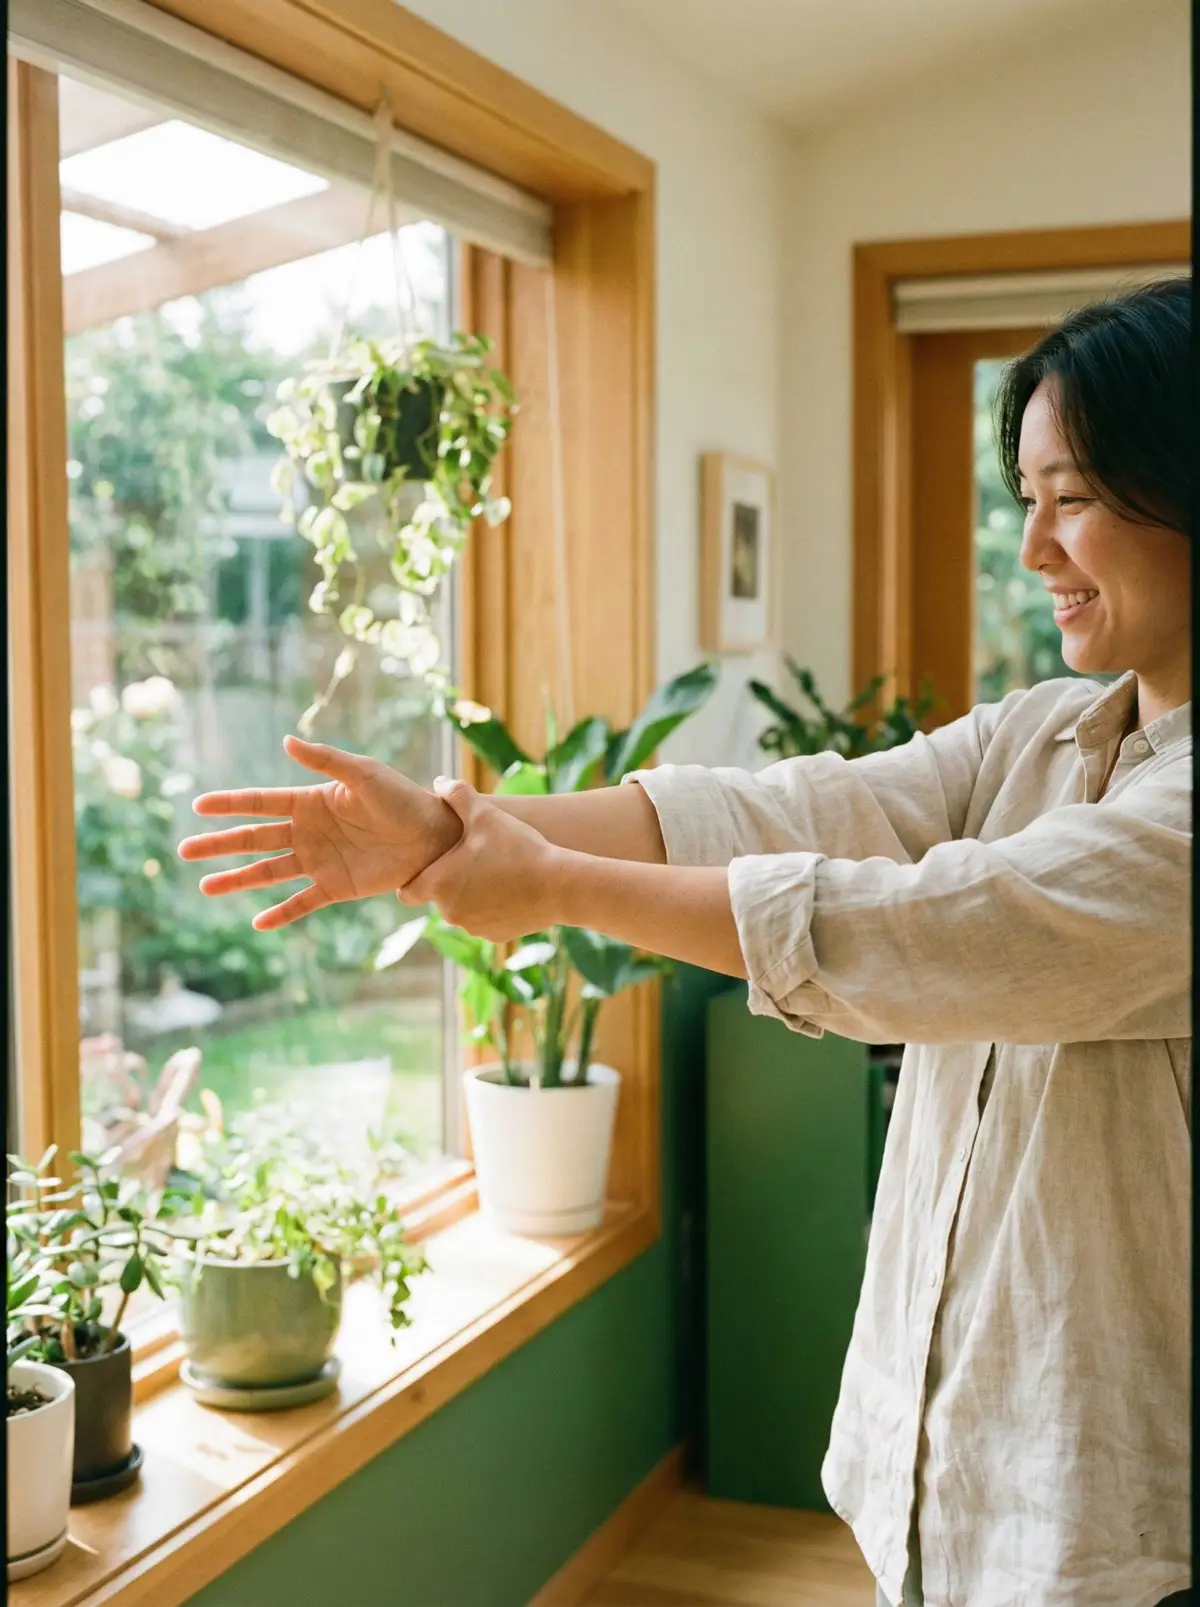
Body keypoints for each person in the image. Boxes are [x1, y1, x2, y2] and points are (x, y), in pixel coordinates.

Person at [179, 279, 1191, 1607]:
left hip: (1124, 1536)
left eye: (1074, 497)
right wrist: (456, 822)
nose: (1033, 550)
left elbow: (938, 929)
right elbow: (795, 806)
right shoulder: (1044, 733)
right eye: (1026, 499)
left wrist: (552, 884)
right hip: (952, 1493)